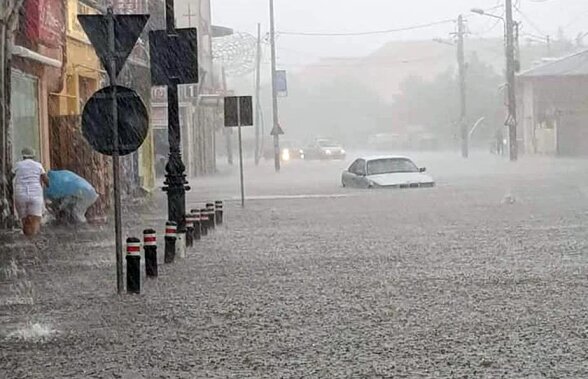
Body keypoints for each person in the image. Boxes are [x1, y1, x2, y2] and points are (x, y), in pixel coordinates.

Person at [12, 147, 49, 236]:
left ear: (23, 156)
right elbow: (46, 180)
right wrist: (48, 185)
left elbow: (10, 177)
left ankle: (26, 239)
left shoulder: (18, 165)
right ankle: (33, 241)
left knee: (24, 221)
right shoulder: (38, 165)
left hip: (20, 194)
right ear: (33, 156)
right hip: (35, 194)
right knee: (35, 221)